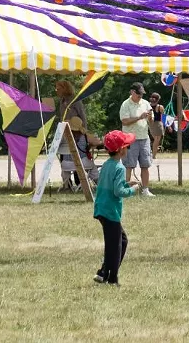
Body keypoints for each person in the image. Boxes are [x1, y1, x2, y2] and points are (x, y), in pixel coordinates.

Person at [93, 130, 141, 286]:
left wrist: (127, 184)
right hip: (110, 211)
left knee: (118, 241)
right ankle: (112, 278)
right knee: (117, 244)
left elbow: (111, 184)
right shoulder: (120, 168)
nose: (128, 149)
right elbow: (118, 191)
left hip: (102, 208)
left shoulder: (107, 165)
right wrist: (132, 190)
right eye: (127, 146)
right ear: (120, 150)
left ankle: (102, 272)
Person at [120, 82, 155, 196]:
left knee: (145, 165)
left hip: (144, 138)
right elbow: (124, 121)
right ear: (132, 92)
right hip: (129, 139)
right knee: (128, 165)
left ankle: (145, 190)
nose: (140, 96)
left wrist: (150, 117)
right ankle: (126, 190)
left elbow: (151, 121)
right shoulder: (125, 104)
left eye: (142, 94)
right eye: (138, 93)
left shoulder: (145, 103)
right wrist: (139, 117)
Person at [59, 116, 102, 191]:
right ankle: (98, 182)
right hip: (82, 163)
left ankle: (66, 186)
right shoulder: (84, 136)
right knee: (92, 166)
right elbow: (98, 142)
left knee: (65, 168)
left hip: (66, 164)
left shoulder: (63, 136)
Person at [148, 92, 165, 160]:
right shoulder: (160, 106)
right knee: (157, 140)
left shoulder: (148, 105)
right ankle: (153, 155)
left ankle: (153, 152)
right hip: (158, 124)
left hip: (150, 124)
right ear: (158, 99)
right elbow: (163, 116)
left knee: (155, 140)